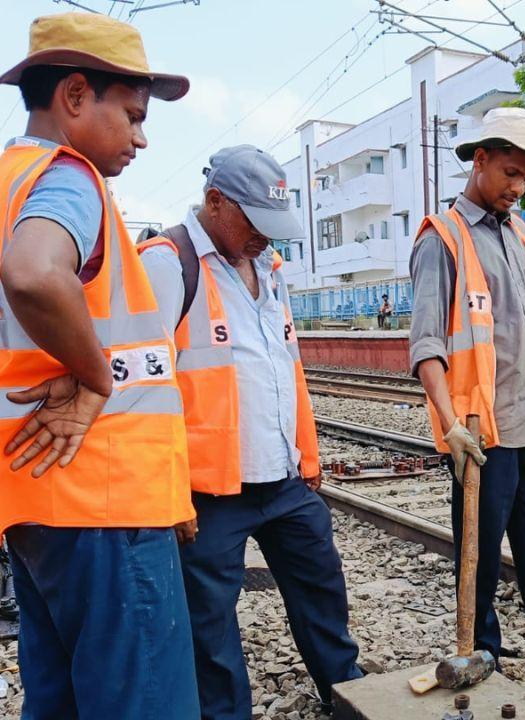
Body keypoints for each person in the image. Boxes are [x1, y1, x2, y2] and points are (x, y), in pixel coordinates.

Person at [0, 13, 198, 718]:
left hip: (31, 497)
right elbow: (33, 275)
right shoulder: (68, 177)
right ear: (77, 96)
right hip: (102, 496)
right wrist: (95, 377)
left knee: (62, 701)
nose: (142, 137)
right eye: (134, 115)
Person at [138, 145, 363, 718]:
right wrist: (169, 495)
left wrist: (306, 459)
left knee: (322, 590)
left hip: (284, 481)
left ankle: (348, 696)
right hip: (210, 493)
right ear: (216, 202)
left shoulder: (269, 268)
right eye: (258, 224)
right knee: (210, 626)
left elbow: (285, 369)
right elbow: (141, 393)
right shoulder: (167, 265)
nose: (269, 238)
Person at [409, 107, 525, 717]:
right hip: (482, 440)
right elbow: (427, 346)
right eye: (511, 172)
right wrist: (451, 424)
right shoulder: (443, 239)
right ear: (479, 158)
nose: (518, 187)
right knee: (480, 563)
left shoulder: (520, 233)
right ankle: (483, 652)